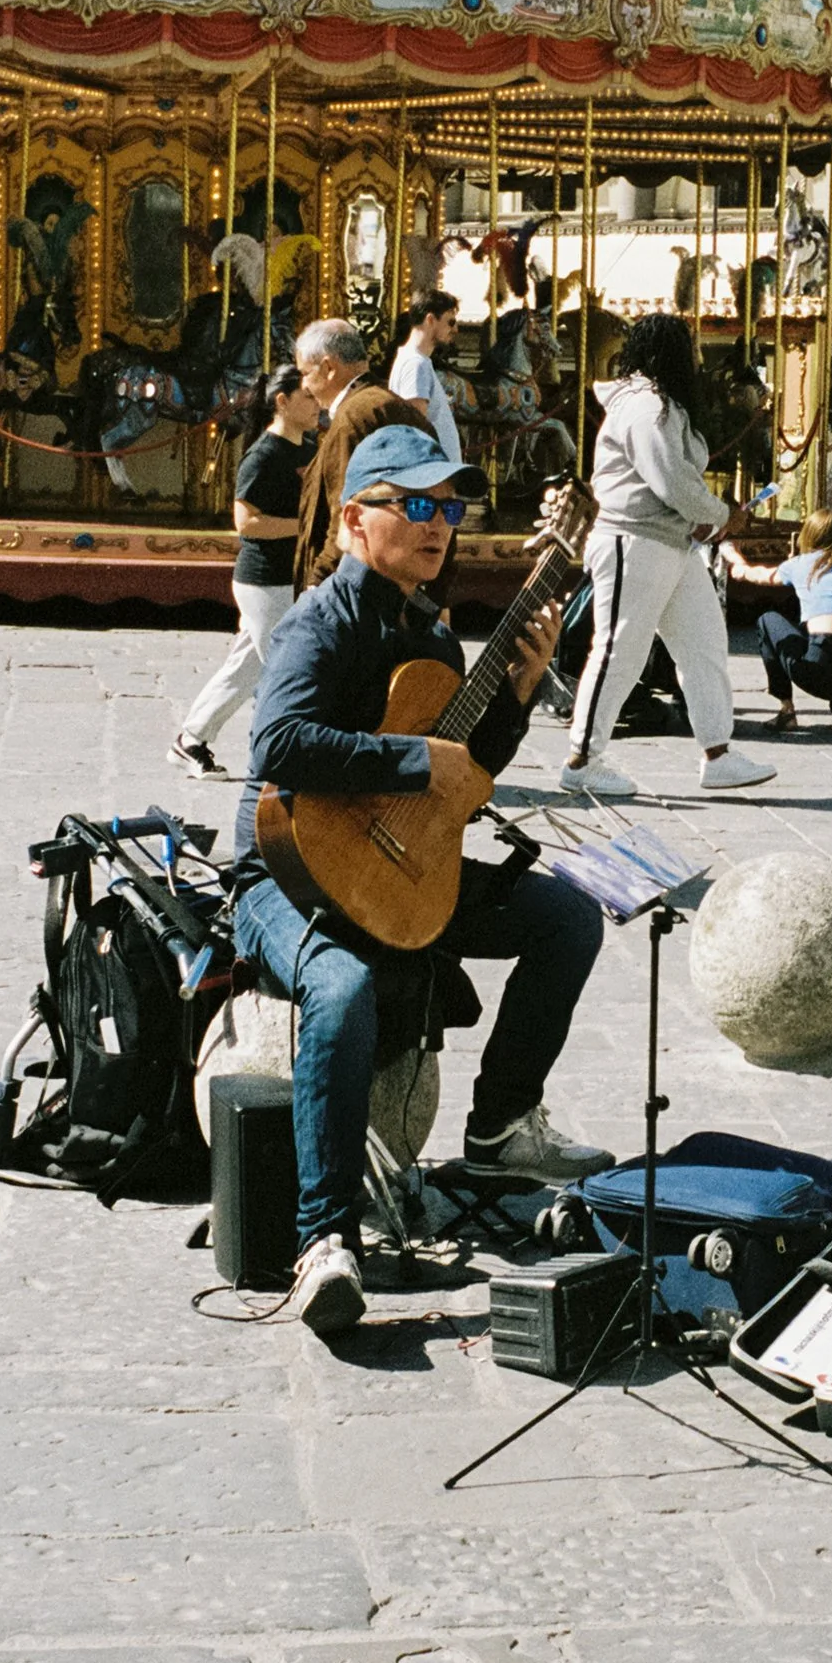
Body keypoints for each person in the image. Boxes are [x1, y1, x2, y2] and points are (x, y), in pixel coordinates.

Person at [230, 424, 612, 1336]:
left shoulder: (431, 627)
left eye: (450, 508)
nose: (439, 524)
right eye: (417, 505)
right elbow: (276, 747)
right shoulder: (316, 623)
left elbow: (464, 772)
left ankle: (499, 1128)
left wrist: (514, 698)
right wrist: (408, 762)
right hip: (285, 873)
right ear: (357, 520)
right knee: (343, 985)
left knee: (565, 915)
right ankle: (324, 1239)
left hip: (400, 864)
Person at [560, 311, 775, 800]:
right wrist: (722, 514)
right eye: (691, 348)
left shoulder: (663, 405)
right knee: (621, 649)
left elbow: (674, 479)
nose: (699, 357)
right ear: (670, 354)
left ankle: (717, 753)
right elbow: (671, 478)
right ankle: (581, 759)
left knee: (703, 641)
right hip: (632, 539)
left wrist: (705, 516)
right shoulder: (644, 405)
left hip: (670, 541)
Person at [170, 367, 319, 778]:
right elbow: (246, 522)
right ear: (282, 401)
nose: (316, 404)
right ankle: (283, 755)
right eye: (307, 396)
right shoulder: (263, 454)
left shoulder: (309, 448)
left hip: (291, 576)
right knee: (289, 668)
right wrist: (304, 527)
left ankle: (191, 739)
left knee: (246, 667)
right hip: (262, 580)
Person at [289, 318, 427, 592]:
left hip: (352, 588)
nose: (304, 385)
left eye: (305, 373)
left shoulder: (354, 417)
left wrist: (318, 581)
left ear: (328, 368)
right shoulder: (388, 404)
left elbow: (346, 508)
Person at [723, 509, 832, 733]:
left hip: (821, 672)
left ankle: (786, 711)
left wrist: (735, 559)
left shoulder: (799, 564)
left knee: (767, 621)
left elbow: (755, 575)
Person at [387, 289, 463, 465]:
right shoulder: (416, 364)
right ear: (430, 320)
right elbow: (414, 428)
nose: (456, 329)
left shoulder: (416, 361)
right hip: (431, 479)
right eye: (450, 322)